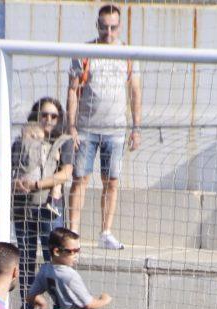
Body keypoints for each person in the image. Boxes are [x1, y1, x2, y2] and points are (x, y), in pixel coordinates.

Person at [66, 3, 142, 251]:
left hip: (116, 130)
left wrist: (136, 127)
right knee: (80, 179)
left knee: (111, 181)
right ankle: (73, 231)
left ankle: (105, 232)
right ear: (97, 25)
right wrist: (72, 127)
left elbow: (135, 91)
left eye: (113, 27)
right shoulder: (84, 52)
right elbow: (73, 90)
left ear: (119, 27)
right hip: (87, 129)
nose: (108, 32)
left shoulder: (128, 54)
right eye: (104, 27)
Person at [13, 97, 74, 309]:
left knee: (55, 261)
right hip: (23, 206)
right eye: (44, 115)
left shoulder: (64, 142)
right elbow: (10, 169)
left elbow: (65, 173)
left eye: (53, 116)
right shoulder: (22, 141)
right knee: (26, 259)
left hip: (49, 207)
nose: (48, 120)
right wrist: (17, 183)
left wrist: (39, 184)